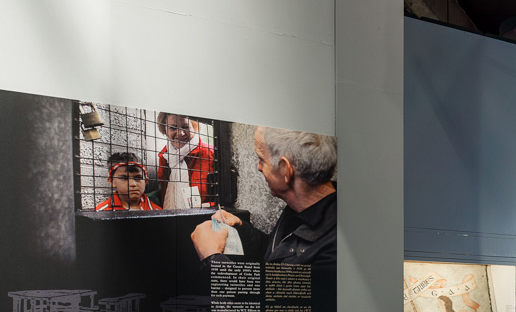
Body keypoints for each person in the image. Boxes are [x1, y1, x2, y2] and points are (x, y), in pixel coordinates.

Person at [190, 126, 337, 265]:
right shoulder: (300, 207)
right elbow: (275, 254)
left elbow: (274, 291)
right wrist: (242, 230)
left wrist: (212, 257)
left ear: (286, 169)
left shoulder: (334, 250)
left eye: (262, 159)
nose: (259, 167)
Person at [155, 112, 216, 209]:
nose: (180, 133)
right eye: (173, 128)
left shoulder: (211, 154)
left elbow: (224, 199)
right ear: (164, 130)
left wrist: (208, 207)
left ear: (194, 127)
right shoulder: (165, 157)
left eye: (185, 127)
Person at [94, 152, 161, 211]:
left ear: (146, 181)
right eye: (124, 178)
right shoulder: (102, 212)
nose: (133, 184)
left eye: (138, 177)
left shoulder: (157, 211)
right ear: (112, 181)